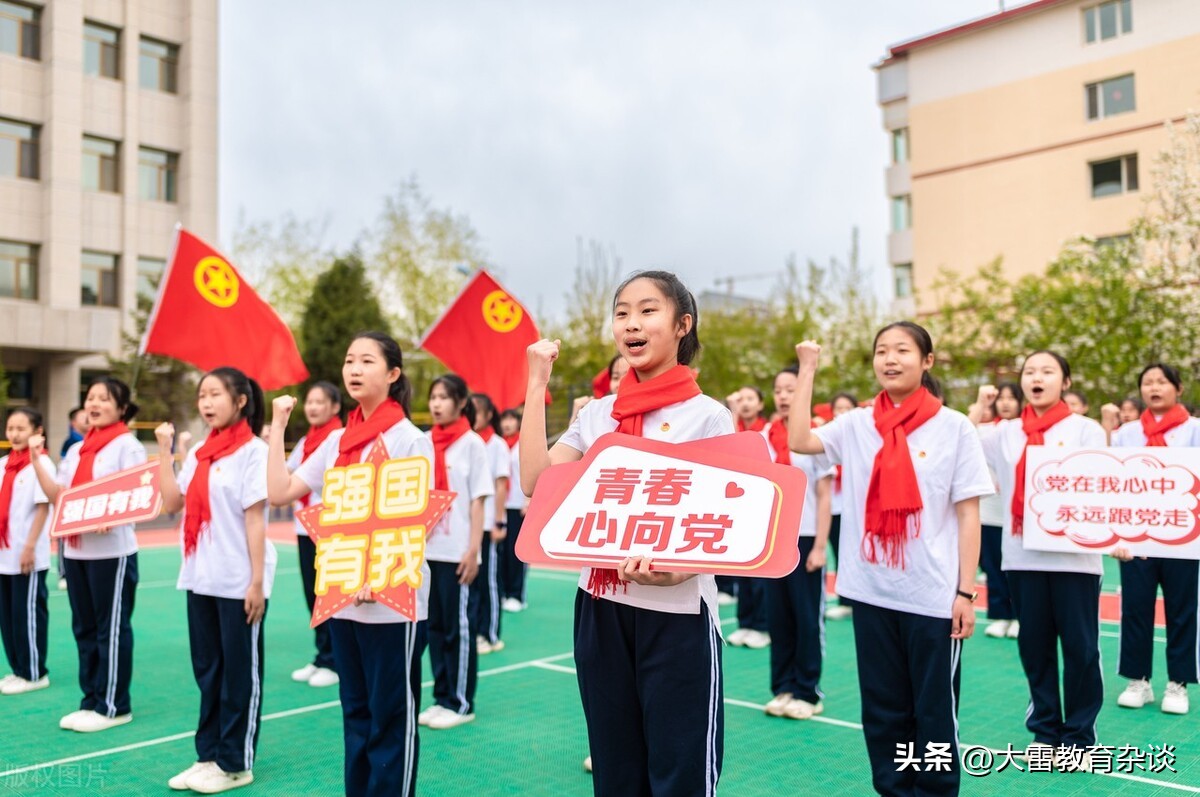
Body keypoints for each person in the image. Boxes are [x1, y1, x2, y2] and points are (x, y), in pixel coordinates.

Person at [521, 270, 730, 796]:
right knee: (616, 768)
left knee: (681, 771)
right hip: (600, 606)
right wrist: (536, 385)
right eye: (622, 313)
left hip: (677, 614)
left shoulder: (708, 418)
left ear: (683, 325)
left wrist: (678, 571)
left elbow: (727, 521)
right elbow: (536, 483)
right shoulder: (596, 416)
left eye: (647, 310)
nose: (631, 324)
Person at [788, 323, 991, 796]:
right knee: (883, 711)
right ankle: (895, 790)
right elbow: (799, 440)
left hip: (932, 596)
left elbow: (968, 515)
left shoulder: (954, 427)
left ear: (927, 361)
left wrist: (965, 592)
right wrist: (807, 368)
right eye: (882, 351)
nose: (890, 359)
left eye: (902, 350)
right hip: (871, 591)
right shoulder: (857, 424)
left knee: (933, 711)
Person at [268, 331, 431, 797]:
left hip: (391, 602)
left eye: (366, 361)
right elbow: (281, 492)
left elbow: (413, 519)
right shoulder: (336, 441)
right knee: (355, 713)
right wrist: (278, 426)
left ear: (393, 373)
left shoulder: (409, 439)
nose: (354, 369)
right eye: (349, 361)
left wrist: (376, 575)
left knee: (390, 718)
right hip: (341, 594)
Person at [970, 352, 1106, 769]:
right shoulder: (1005, 433)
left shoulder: (1086, 430)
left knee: (1081, 649)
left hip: (1075, 560)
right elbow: (963, 441)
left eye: (1048, 371)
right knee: (1035, 647)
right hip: (1022, 556)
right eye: (1030, 372)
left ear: (1065, 382)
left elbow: (1101, 485)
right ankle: (1045, 731)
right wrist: (980, 403)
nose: (1037, 378)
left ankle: (1079, 737)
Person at [157, 368, 275, 793]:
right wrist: (165, 452)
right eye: (202, 395)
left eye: (215, 394)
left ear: (240, 400)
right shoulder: (200, 452)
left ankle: (235, 762)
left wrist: (256, 582)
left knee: (239, 674)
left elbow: (255, 518)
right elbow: (172, 503)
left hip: (238, 579)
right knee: (208, 672)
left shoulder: (254, 452)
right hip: (200, 576)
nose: (206, 403)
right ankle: (207, 756)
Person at [31, 377, 146, 733]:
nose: (94, 404)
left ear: (121, 408)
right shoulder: (78, 449)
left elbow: (139, 494)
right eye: (90, 398)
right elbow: (60, 496)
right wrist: (36, 459)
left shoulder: (127, 446)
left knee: (111, 629)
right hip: (76, 550)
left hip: (113, 552)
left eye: (104, 399)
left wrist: (113, 515)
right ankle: (92, 700)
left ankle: (114, 705)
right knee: (84, 628)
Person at [1109, 364, 1199, 715]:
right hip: (1138, 538)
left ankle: (1178, 683)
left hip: (1182, 538)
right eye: (1147, 382)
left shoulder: (1194, 430)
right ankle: (1139, 681)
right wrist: (1117, 533)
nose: (1154, 388)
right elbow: (1114, 484)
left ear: (1178, 388)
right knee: (1135, 608)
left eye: (1162, 381)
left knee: (1182, 611)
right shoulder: (1126, 435)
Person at [419, 375, 492, 730]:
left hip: (457, 551)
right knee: (434, 627)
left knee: (458, 628)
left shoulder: (471, 444)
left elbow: (478, 500)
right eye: (433, 397)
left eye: (444, 397)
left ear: (462, 402)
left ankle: (461, 702)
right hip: (427, 551)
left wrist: (473, 549)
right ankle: (441, 696)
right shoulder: (423, 443)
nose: (436, 404)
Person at [763, 379, 833, 720]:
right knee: (779, 617)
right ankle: (784, 687)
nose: (783, 396)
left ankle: (808, 691)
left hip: (805, 538)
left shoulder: (815, 438)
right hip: (773, 539)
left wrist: (820, 546)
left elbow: (824, 494)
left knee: (807, 618)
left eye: (791, 389)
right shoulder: (765, 436)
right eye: (778, 390)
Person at [285, 382, 343, 689]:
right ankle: (322, 655)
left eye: (320, 402)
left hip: (329, 529)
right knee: (313, 595)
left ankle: (334, 660)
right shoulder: (306, 441)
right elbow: (289, 474)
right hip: (303, 527)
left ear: (335, 407)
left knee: (329, 595)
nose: (313, 407)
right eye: (309, 401)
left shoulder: (337, 439)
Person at [0, 408, 54, 694]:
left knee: (27, 614)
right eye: (11, 428)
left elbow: (43, 508)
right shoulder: (3, 465)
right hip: (4, 555)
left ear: (37, 432)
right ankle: (18, 669)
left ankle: (34, 672)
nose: (15, 434)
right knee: (7, 616)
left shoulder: (41, 464)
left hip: (26, 554)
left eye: (21, 428)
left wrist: (30, 546)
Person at [979, 382, 1021, 640]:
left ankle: (1018, 616)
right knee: (993, 567)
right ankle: (1000, 615)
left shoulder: (1025, 431)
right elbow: (966, 433)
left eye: (1011, 398)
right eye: (1001, 398)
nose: (1005, 403)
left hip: (1017, 513)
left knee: (1016, 568)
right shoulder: (987, 431)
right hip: (990, 511)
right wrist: (980, 404)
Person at [471, 392, 510, 655]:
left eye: (477, 411)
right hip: (469, 525)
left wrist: (498, 521)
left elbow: (500, 484)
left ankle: (490, 634)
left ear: (488, 415)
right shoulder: (467, 441)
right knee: (471, 582)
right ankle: (475, 630)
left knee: (488, 581)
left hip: (487, 524)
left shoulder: (497, 445)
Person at [824, 391, 858, 622]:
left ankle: (853, 600)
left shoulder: (861, 438)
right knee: (838, 552)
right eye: (839, 408)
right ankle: (845, 599)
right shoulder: (828, 438)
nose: (843, 412)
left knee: (853, 554)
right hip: (832, 508)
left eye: (848, 408)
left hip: (853, 510)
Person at [498, 409, 528, 612]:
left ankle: (517, 594)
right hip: (501, 506)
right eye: (504, 420)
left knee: (515, 552)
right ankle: (503, 592)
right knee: (501, 552)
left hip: (518, 505)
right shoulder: (499, 445)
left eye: (511, 419)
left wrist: (529, 501)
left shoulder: (523, 445)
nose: (507, 424)